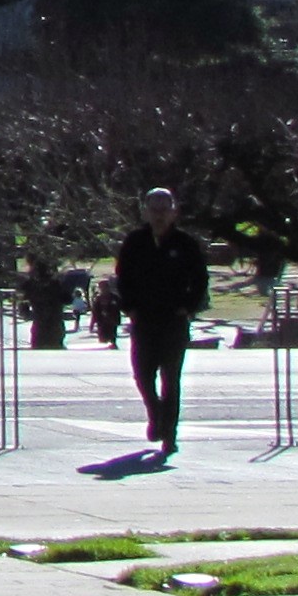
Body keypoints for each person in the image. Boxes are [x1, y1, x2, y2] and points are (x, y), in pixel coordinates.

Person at [112, 188, 208, 454]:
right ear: (145, 211)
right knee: (142, 374)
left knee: (171, 378)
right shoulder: (135, 242)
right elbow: (123, 278)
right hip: (143, 319)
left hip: (173, 321)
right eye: (154, 210)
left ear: (173, 211)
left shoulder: (185, 243)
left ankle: (170, 434)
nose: (159, 216)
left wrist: (188, 308)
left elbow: (200, 279)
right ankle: (155, 413)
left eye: (164, 210)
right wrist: (129, 307)